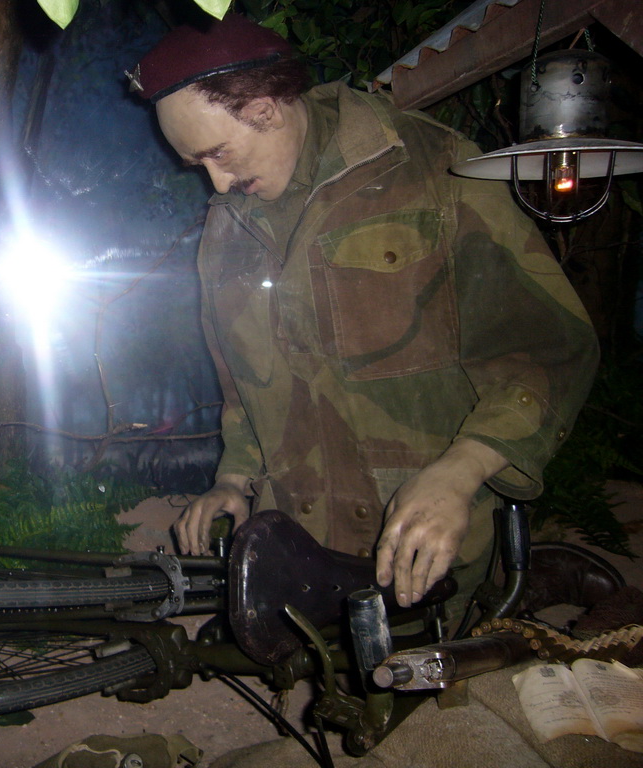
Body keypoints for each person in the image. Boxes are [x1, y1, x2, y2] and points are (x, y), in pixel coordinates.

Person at [127, 14, 600, 609]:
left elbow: (547, 349)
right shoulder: (227, 233)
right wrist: (233, 479)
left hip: (425, 550)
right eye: (199, 167)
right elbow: (243, 387)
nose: (217, 186)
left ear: (268, 107)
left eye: (219, 154)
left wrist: (463, 469)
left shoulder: (435, 170)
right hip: (294, 552)